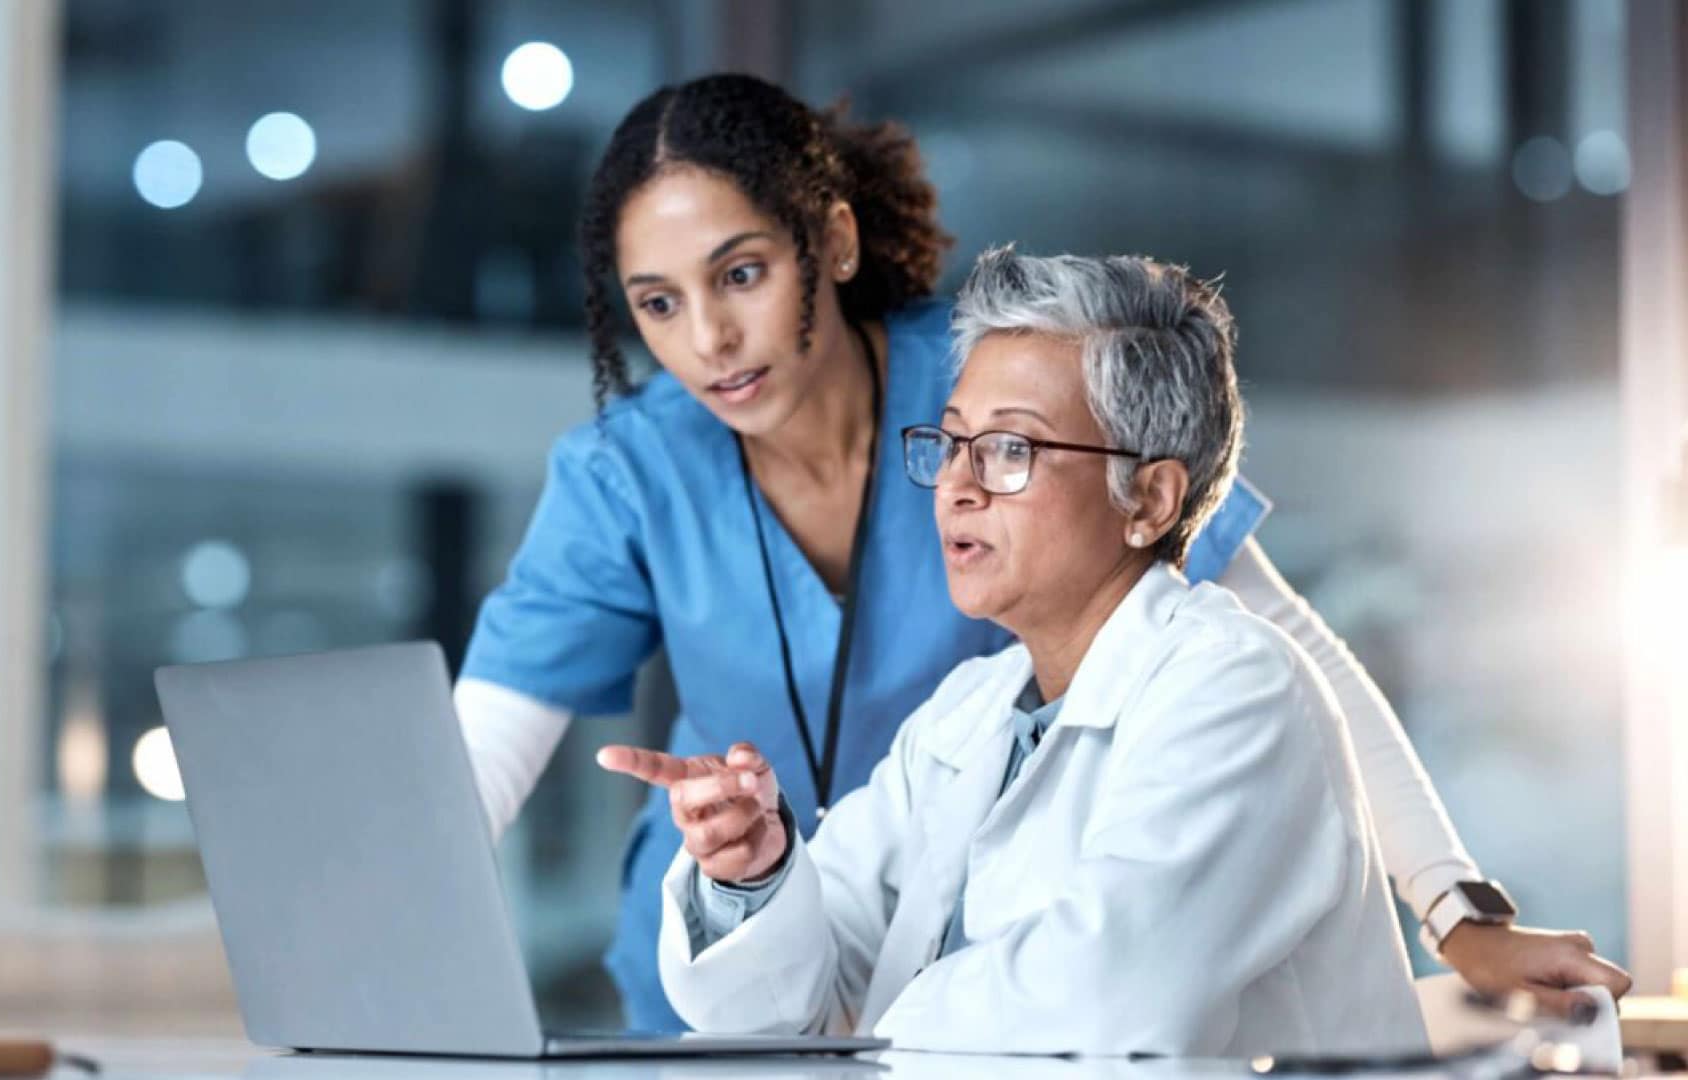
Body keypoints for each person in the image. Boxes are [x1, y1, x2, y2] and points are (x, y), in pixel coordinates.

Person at [456, 72, 1631, 1030]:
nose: (708, 340)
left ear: (834, 242)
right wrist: (750, 871)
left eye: (743, 275)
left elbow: (1290, 652)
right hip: (798, 967)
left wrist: (1454, 906)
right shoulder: (644, 475)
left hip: (976, 997)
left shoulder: (1004, 385)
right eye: (656, 304)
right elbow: (472, 774)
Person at [599, 248, 1428, 1055]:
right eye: (953, 443)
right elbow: (800, 992)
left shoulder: (1236, 689)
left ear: (1149, 497)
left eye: (1010, 450)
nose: (958, 485)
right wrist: (755, 876)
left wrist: (874, 1029)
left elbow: (1110, 998)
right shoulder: (973, 709)